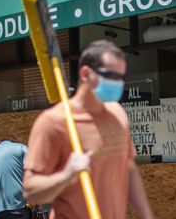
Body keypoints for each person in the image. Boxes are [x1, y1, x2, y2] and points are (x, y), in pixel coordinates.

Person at [23, 40, 154, 219]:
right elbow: (31, 192)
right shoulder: (53, 122)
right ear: (86, 73)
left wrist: (147, 216)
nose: (118, 84)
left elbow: (129, 169)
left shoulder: (118, 115)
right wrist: (66, 175)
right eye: (111, 76)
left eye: (121, 77)